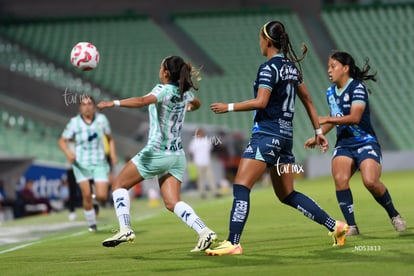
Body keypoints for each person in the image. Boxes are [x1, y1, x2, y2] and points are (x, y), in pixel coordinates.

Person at [205, 21, 348, 256]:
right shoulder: (292, 68)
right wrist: (319, 132)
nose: (259, 43)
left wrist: (228, 106)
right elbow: (309, 102)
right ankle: (336, 227)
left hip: (266, 136)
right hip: (285, 138)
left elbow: (261, 102)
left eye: (260, 38)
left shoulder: (268, 68)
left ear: (267, 41)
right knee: (287, 194)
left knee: (241, 185)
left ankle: (233, 242)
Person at [97, 55, 217, 252]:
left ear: (166, 73)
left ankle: (125, 228)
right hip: (177, 155)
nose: (159, 70)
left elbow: (143, 101)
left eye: (161, 67)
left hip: (156, 153)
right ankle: (204, 231)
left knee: (119, 185)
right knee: (172, 203)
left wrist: (114, 103)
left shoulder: (163, 90)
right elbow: (198, 103)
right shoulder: (184, 93)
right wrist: (188, 107)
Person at [304, 51, 406, 236]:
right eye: (328, 66)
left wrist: (325, 119)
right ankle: (352, 226)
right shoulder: (330, 92)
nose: (329, 70)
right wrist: (318, 134)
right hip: (344, 144)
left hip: (365, 141)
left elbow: (354, 117)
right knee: (340, 179)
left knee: (370, 181)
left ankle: (394, 215)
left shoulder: (357, 87)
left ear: (345, 68)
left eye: (333, 66)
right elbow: (336, 118)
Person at [58, 95, 117, 232]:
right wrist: (69, 153)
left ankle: (95, 200)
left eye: (90, 103)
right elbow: (62, 141)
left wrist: (113, 154)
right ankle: (92, 225)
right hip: (81, 164)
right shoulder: (74, 122)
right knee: (86, 195)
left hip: (99, 162)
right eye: (84, 104)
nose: (87, 106)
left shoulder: (102, 120)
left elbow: (110, 139)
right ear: (80, 107)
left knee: (102, 196)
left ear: (94, 105)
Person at [188, 128, 220, 198]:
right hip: (198, 162)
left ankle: (215, 192)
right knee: (200, 179)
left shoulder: (206, 140)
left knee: (210, 177)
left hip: (207, 162)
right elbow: (191, 153)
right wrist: (192, 162)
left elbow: (210, 150)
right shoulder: (194, 142)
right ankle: (202, 193)